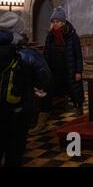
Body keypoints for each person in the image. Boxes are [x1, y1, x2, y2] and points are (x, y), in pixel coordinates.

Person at [0, 12, 51, 166]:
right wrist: (37, 88)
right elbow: (45, 77)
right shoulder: (28, 53)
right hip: (18, 108)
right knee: (15, 148)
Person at [29, 6, 83, 135]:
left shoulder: (72, 36)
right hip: (54, 73)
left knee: (76, 97)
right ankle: (40, 125)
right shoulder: (50, 37)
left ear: (63, 22)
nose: (55, 24)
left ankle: (81, 122)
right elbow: (46, 55)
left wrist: (78, 72)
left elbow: (78, 56)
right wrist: (44, 72)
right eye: (53, 21)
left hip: (69, 72)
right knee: (46, 96)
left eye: (57, 21)